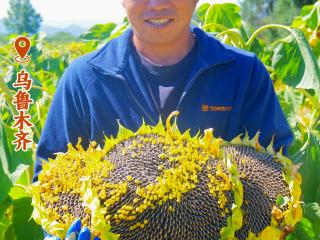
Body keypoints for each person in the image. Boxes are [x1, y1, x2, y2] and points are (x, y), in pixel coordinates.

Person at [35, 0, 293, 239]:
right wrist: (55, 228)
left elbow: (274, 173)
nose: (157, 4)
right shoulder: (83, 79)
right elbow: (52, 176)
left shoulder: (244, 72)